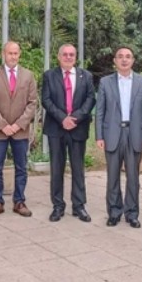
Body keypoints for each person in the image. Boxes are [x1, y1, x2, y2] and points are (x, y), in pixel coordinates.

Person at [95, 47, 142, 228]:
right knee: (112, 176)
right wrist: (99, 135)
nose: (124, 60)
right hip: (112, 133)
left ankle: (132, 213)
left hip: (135, 133)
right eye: (120, 57)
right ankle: (114, 212)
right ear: (115, 61)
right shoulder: (106, 82)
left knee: (133, 177)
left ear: (133, 60)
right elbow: (100, 111)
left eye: (128, 57)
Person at [42, 44, 96, 223]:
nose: (68, 57)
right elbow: (46, 100)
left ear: (76, 57)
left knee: (78, 169)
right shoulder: (49, 75)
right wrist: (62, 118)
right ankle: (58, 206)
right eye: (64, 54)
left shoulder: (86, 76)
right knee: (56, 169)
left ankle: (79, 206)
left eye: (71, 54)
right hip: (56, 128)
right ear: (58, 57)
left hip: (78, 128)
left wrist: (75, 118)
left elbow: (90, 99)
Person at [0, 42, 38, 218]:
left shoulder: (28, 75)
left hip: (20, 130)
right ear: (3, 54)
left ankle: (19, 201)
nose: (13, 56)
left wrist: (17, 125)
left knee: (21, 167)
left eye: (16, 53)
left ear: (19, 54)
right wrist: (3, 125)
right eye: (10, 53)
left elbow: (32, 103)